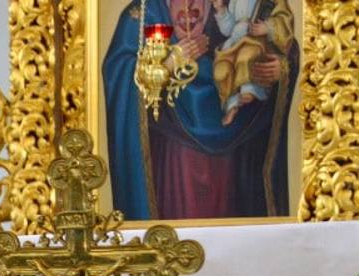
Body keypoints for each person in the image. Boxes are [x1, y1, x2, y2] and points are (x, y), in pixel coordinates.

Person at [102, 0, 298, 220]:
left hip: (234, 161)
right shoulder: (144, 14)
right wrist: (170, 62)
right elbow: (119, 72)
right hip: (171, 155)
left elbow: (280, 42)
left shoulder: (232, 5)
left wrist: (282, 68)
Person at [212, 0, 292, 126]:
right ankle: (232, 104)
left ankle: (250, 90)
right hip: (234, 42)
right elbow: (228, 30)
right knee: (221, 71)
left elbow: (284, 21)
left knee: (246, 57)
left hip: (254, 40)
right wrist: (221, 10)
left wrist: (267, 27)